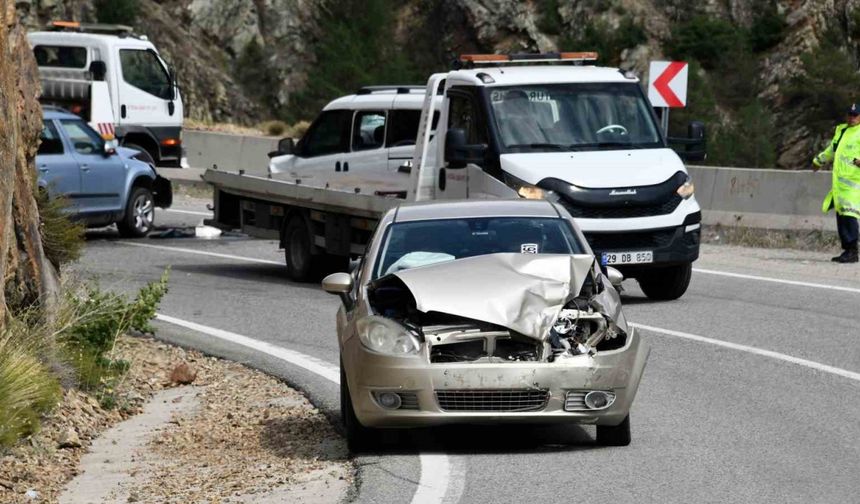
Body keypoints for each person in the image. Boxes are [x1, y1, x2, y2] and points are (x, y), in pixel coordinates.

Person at [813, 102, 860, 263]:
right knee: (842, 216)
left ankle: (853, 251)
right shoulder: (841, 131)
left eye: (855, 115)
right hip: (839, 184)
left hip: (854, 182)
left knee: (849, 215)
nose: (852, 118)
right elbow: (831, 150)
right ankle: (847, 250)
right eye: (850, 114)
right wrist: (818, 161)